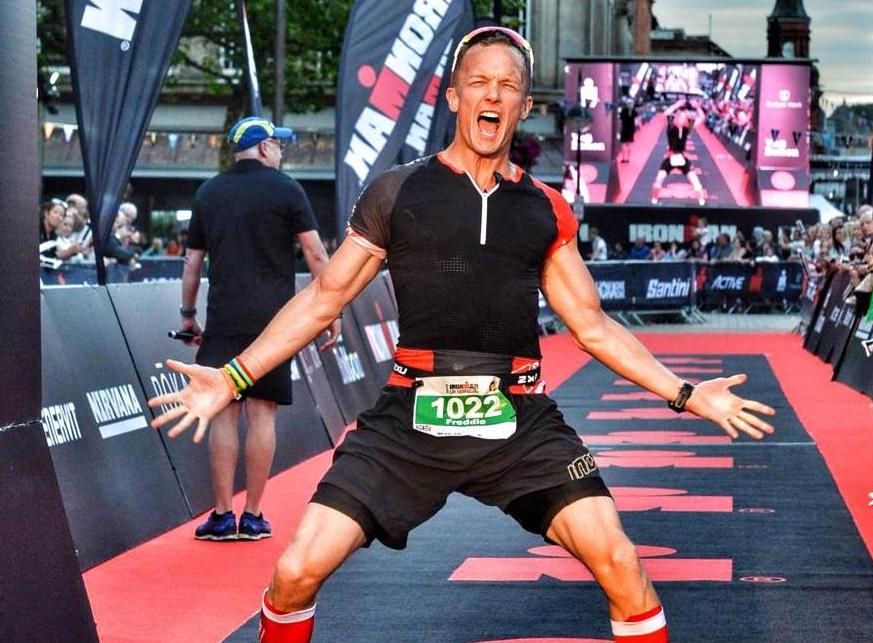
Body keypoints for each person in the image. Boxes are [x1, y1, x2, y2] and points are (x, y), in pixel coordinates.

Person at [150, 27, 774, 643]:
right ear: (454, 97)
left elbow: (593, 327)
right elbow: (323, 297)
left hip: (519, 418)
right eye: (479, 82)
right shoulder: (396, 192)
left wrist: (688, 394)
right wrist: (233, 376)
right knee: (294, 572)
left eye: (508, 86)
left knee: (620, 563)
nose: (493, 96)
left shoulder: (546, 208)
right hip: (408, 417)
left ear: (525, 107)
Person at [177, 116, 341, 542]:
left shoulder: (209, 191)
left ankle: (220, 515)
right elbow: (315, 254)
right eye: (279, 145)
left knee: (224, 414)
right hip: (275, 323)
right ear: (265, 148)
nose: (282, 152)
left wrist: (188, 315)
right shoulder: (287, 189)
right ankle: (252, 515)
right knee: (262, 412)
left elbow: (192, 261)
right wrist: (331, 310)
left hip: (225, 318)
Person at [651, 98, 706, 206]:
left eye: (684, 117)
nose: (681, 118)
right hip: (670, 157)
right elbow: (665, 114)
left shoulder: (686, 128)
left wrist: (697, 107)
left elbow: (702, 118)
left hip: (682, 158)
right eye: (679, 116)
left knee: (696, 182)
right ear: (676, 118)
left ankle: (702, 203)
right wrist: (677, 105)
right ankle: (654, 200)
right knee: (659, 179)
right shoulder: (671, 127)